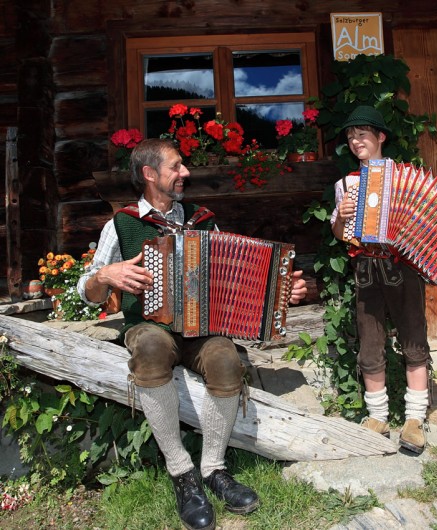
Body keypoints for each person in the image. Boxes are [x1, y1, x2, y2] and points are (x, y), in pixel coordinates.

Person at [78, 138, 307, 530]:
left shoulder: (202, 220)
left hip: (202, 331)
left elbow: (233, 280)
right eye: (176, 167)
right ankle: (181, 470)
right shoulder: (123, 224)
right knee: (149, 345)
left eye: (183, 166)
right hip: (151, 327)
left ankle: (213, 468)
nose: (185, 173)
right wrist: (105, 275)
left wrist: (281, 293)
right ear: (150, 175)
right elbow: (85, 292)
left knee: (226, 358)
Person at [330, 105, 437, 455]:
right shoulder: (346, 185)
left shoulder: (405, 177)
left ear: (381, 137)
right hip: (367, 269)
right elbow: (341, 235)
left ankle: (414, 419)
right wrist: (342, 216)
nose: (356, 141)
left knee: (414, 339)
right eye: (351, 136)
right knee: (370, 343)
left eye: (363, 134)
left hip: (403, 270)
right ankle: (378, 416)